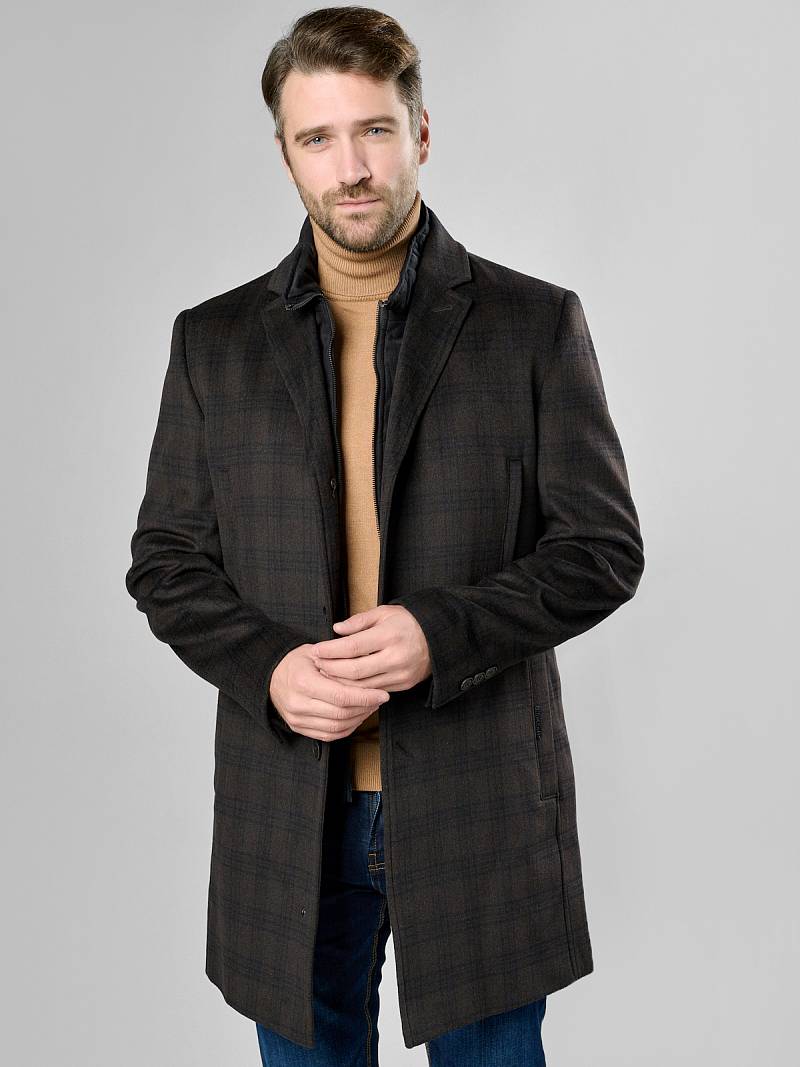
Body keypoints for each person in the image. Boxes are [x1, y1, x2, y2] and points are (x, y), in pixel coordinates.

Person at [126, 7, 645, 1065]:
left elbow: (601, 548)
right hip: (289, 810)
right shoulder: (213, 342)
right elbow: (167, 563)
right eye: (317, 137)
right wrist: (269, 666)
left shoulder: (533, 323)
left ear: (421, 132)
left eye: (373, 129)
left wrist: (438, 634)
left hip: (479, 800)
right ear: (285, 154)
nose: (351, 166)